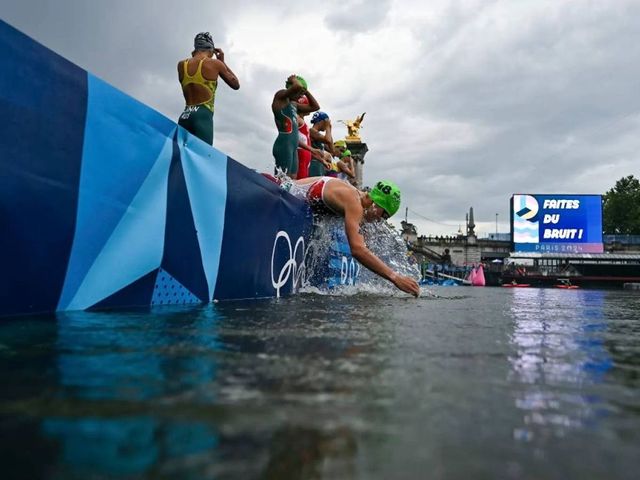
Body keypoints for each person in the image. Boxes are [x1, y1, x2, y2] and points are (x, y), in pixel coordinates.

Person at [289, 177, 420, 297]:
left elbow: (367, 248)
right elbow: (358, 250)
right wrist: (395, 278)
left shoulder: (361, 203)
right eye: (384, 215)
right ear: (376, 203)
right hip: (284, 192)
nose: (380, 220)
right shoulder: (354, 203)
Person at [177, 32, 240, 145]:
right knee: (203, 158)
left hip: (185, 116)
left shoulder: (181, 65)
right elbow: (236, 85)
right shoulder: (215, 64)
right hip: (202, 116)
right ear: (211, 49)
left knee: (179, 158)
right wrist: (222, 62)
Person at [272, 75, 320, 178]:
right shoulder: (280, 97)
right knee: (282, 179)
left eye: (302, 94)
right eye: (300, 93)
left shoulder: (294, 104)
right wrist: (294, 80)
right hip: (284, 143)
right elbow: (297, 86)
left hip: (293, 146)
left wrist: (306, 91)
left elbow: (315, 107)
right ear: (291, 87)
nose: (300, 97)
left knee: (292, 180)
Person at [308, 111, 334, 177]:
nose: (326, 126)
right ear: (321, 122)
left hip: (319, 165)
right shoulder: (311, 131)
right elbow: (328, 140)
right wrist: (328, 127)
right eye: (326, 123)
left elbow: (332, 150)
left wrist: (329, 129)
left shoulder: (320, 137)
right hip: (313, 165)